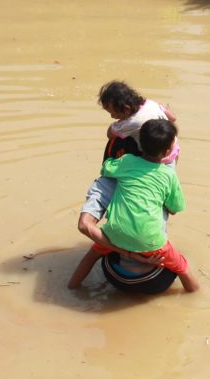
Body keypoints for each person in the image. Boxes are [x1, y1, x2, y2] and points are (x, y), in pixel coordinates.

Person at [68, 119, 200, 292]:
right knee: (182, 267)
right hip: (151, 242)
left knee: (93, 253)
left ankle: (72, 286)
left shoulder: (127, 161)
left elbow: (106, 168)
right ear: (168, 150)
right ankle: (194, 294)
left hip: (115, 235)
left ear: (139, 144)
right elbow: (175, 208)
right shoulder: (168, 175)